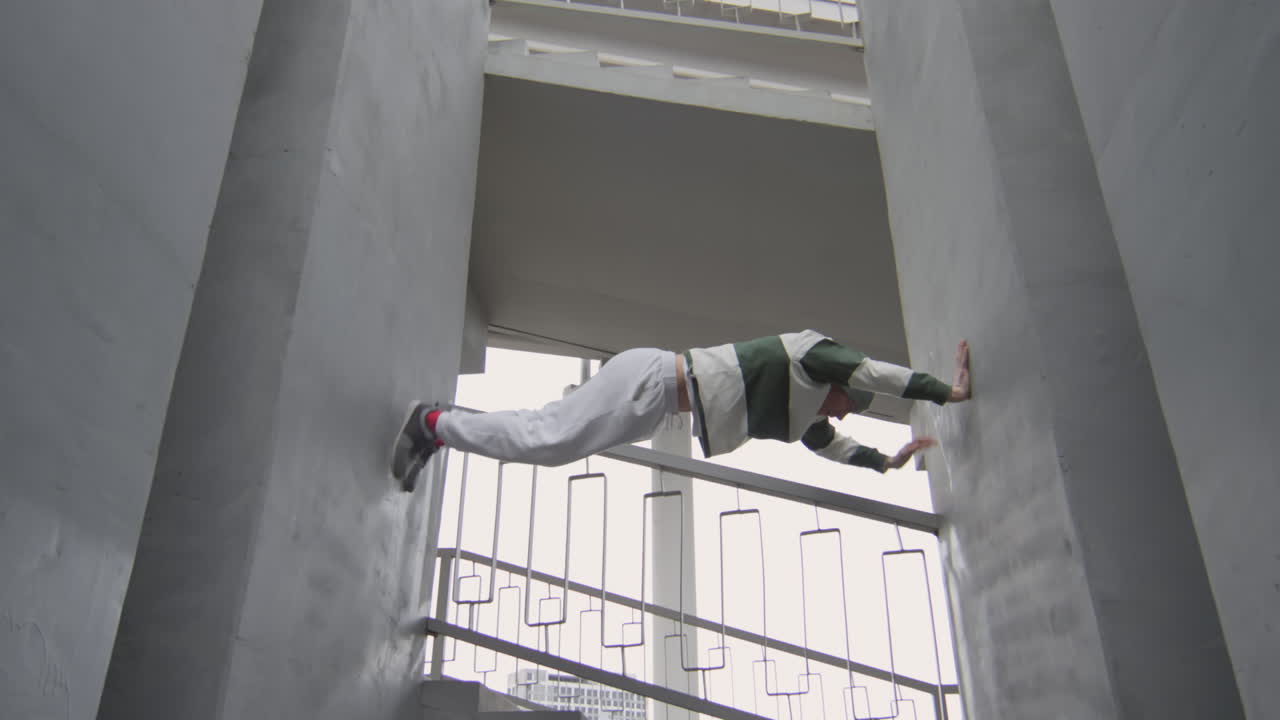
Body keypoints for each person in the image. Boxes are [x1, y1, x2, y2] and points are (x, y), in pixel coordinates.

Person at [391, 330, 971, 491]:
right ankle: (434, 425)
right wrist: (945, 392)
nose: (843, 414)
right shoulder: (809, 356)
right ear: (841, 385)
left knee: (544, 434)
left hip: (652, 402)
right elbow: (873, 371)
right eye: (849, 403)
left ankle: (446, 425)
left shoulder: (808, 415)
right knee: (547, 444)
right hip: (649, 381)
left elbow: (837, 447)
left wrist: (888, 463)